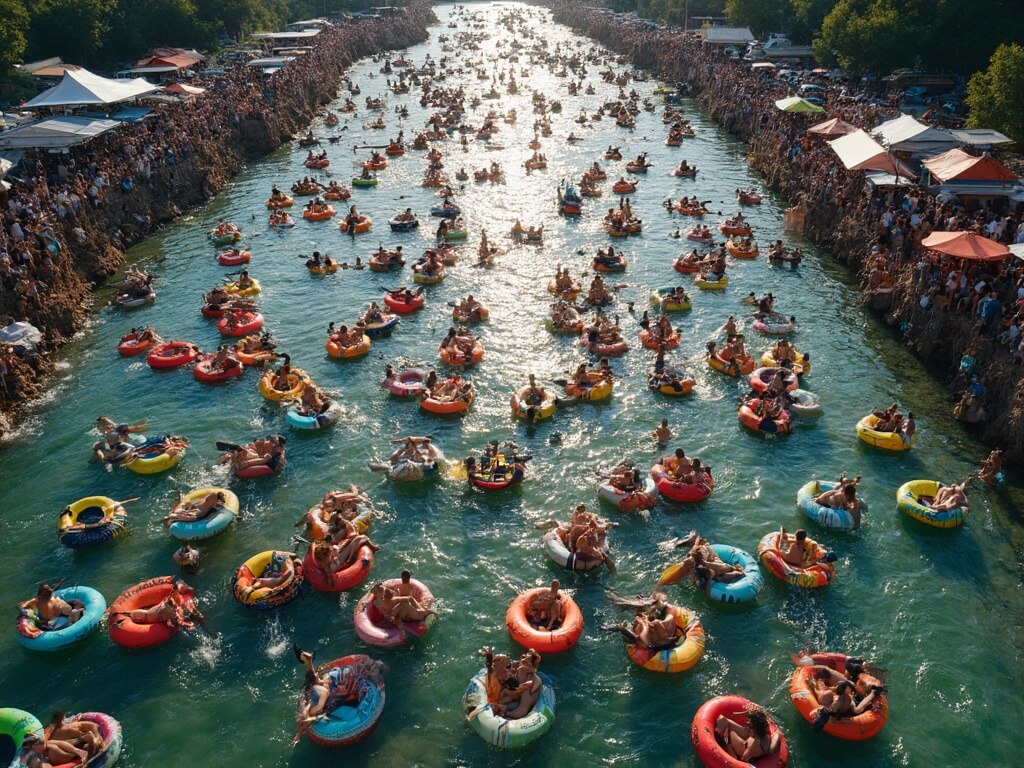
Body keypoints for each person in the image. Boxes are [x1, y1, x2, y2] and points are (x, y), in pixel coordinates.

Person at [714, 705, 781, 762]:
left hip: (742, 750)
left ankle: (720, 740)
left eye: (751, 726)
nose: (749, 727)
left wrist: (726, 743)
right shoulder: (764, 732)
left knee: (731, 733)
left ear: (755, 729)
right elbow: (771, 749)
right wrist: (777, 735)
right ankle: (720, 734)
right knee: (722, 719)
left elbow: (743, 759)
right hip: (749, 740)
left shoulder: (755, 746)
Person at [18, 583, 84, 628]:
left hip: (63, 612)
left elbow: (53, 590)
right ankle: (77, 614)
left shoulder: (49, 594)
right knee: (77, 607)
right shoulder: (37, 600)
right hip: (59, 617)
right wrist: (23, 612)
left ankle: (76, 612)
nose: (50, 590)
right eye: (48, 589)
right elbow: (22, 605)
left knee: (76, 602)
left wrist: (60, 583)